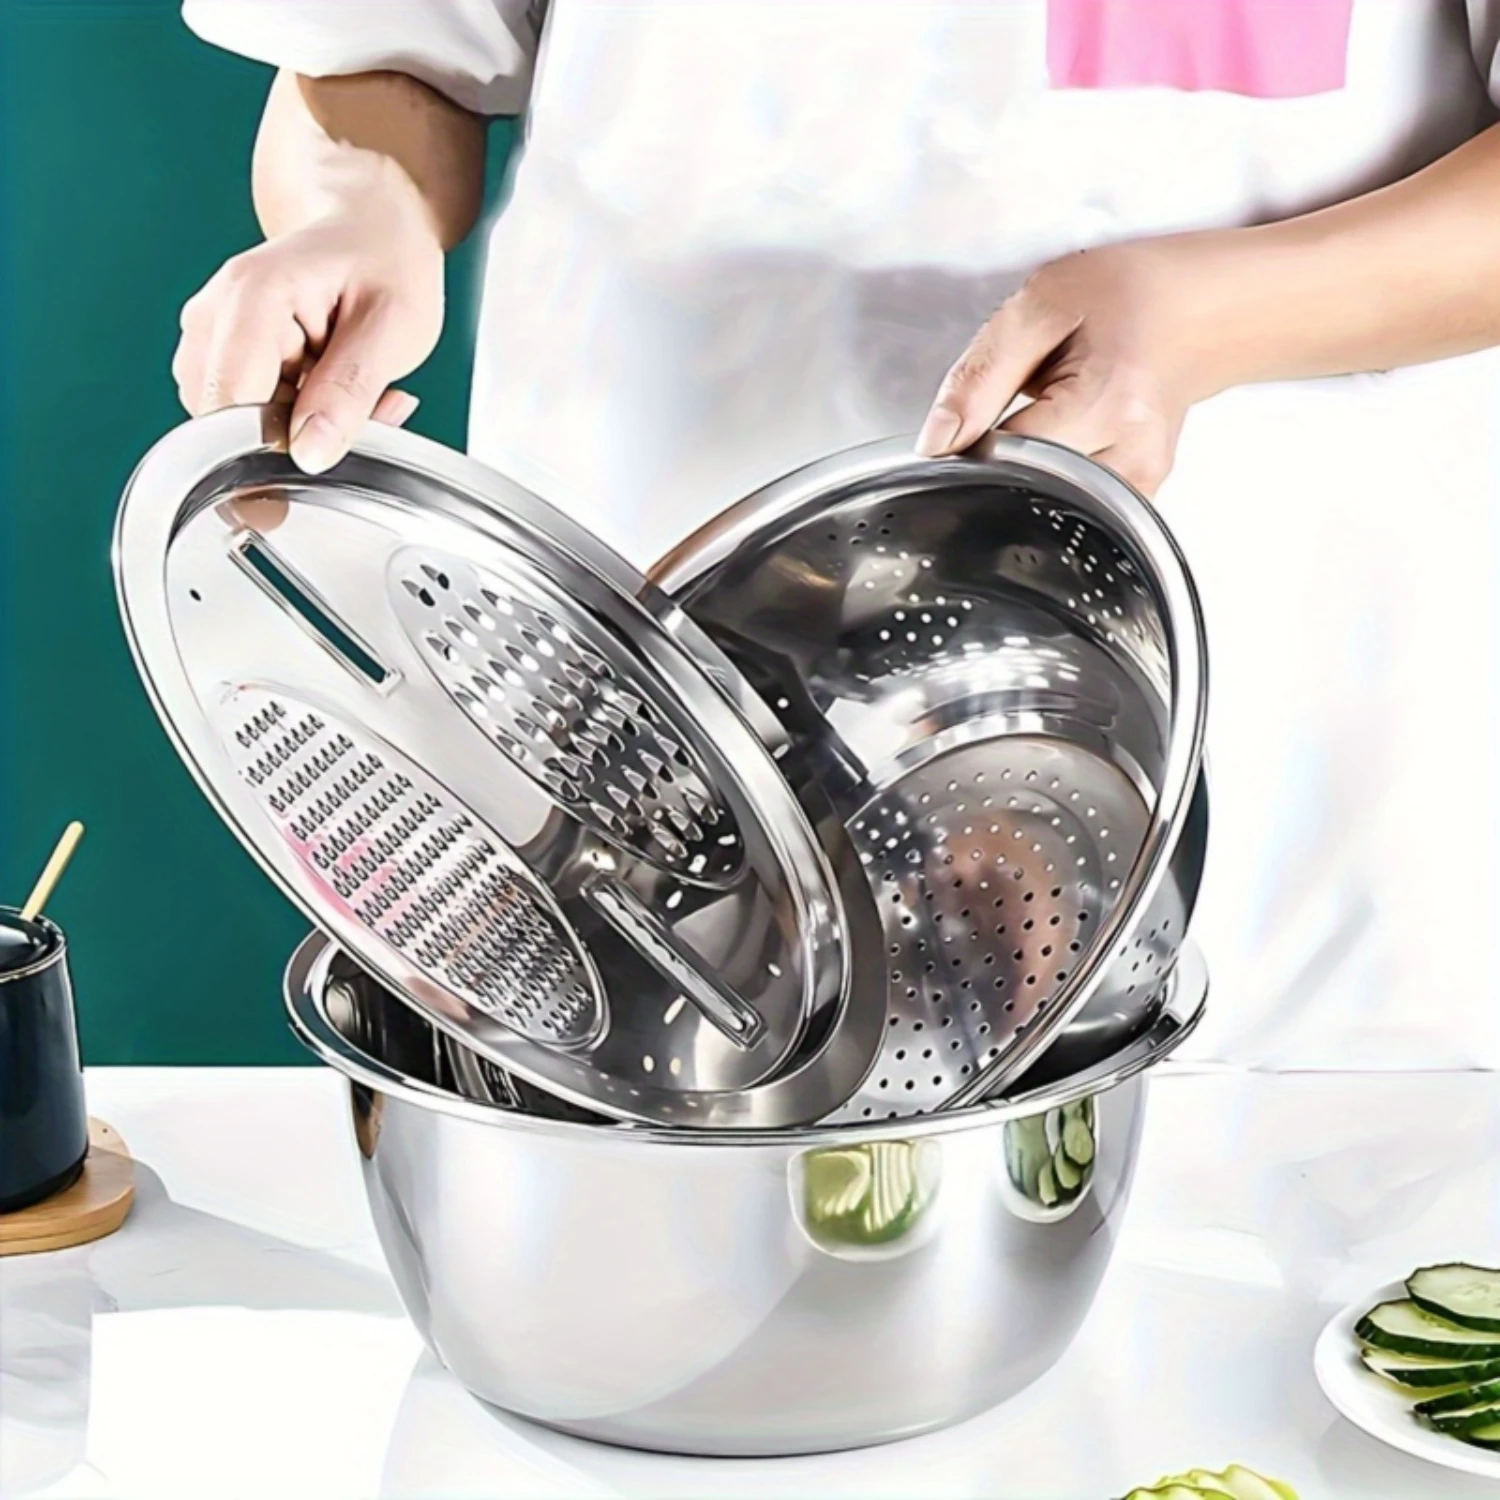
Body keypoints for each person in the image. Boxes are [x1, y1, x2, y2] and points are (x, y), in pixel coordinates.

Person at [175, 0, 1500, 1073]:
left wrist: (1221, 316)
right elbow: (373, 52)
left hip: (1285, 704)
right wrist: (363, 214)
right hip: (632, 710)